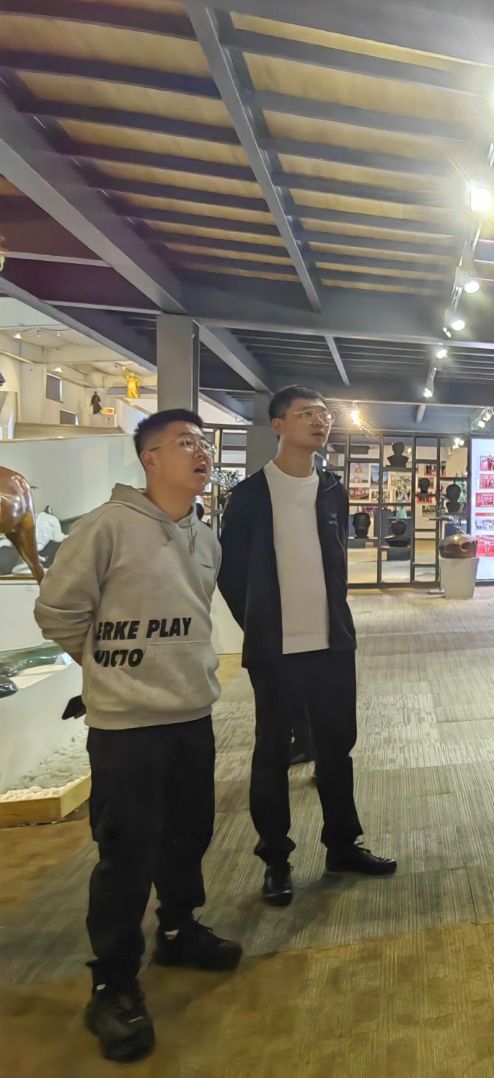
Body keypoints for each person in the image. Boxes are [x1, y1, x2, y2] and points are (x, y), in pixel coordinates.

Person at [34, 409, 241, 1064]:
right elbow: (58, 611)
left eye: (203, 443)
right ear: (149, 458)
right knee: (126, 851)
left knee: (188, 833)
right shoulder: (106, 527)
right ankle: (113, 981)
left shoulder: (205, 537)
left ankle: (178, 929)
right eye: (184, 442)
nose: (200, 452)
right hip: (126, 727)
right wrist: (106, 669)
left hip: (191, 715)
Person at [218, 386, 396, 909]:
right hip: (275, 649)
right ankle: (276, 859)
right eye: (306, 414)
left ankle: (342, 845)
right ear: (278, 425)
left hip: (331, 643)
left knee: (337, 747)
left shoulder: (332, 488)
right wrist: (258, 625)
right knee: (273, 754)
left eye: (323, 414)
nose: (320, 421)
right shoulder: (249, 496)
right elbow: (231, 575)